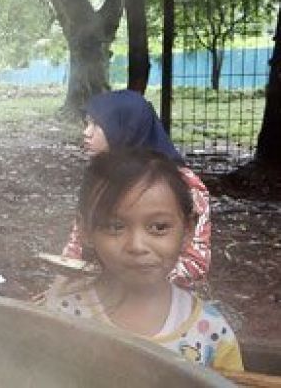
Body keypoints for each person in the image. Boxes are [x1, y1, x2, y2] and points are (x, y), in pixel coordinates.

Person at [39, 148, 242, 372]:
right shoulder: (61, 314)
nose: (137, 246)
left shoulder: (211, 334)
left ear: (187, 231)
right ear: (85, 230)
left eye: (159, 227)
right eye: (115, 227)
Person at [63, 90, 211, 287]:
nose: (86, 132)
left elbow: (195, 263)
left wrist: (120, 278)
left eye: (97, 124)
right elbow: (77, 243)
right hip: (96, 293)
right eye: (87, 123)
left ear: (127, 127)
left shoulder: (181, 184)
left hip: (160, 301)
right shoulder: (100, 180)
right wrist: (65, 282)